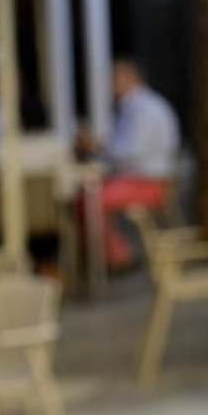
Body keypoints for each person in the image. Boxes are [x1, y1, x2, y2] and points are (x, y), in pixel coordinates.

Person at [79, 59, 180, 269]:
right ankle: (113, 255)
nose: (110, 86)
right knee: (88, 196)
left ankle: (115, 258)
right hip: (143, 179)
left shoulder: (143, 108)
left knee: (91, 200)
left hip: (149, 183)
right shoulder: (137, 106)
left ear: (130, 78)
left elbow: (128, 152)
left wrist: (97, 147)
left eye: (114, 79)